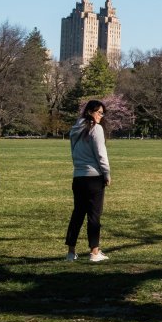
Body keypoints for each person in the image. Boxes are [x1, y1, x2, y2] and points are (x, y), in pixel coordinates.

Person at [66, 100, 112, 262]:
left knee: (77, 214)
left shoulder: (75, 129)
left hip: (78, 177)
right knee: (94, 215)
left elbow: (73, 153)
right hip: (94, 178)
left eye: (102, 113)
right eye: (99, 112)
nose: (101, 116)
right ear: (90, 112)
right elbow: (101, 154)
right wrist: (106, 174)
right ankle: (94, 252)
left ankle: (71, 252)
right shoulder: (96, 128)